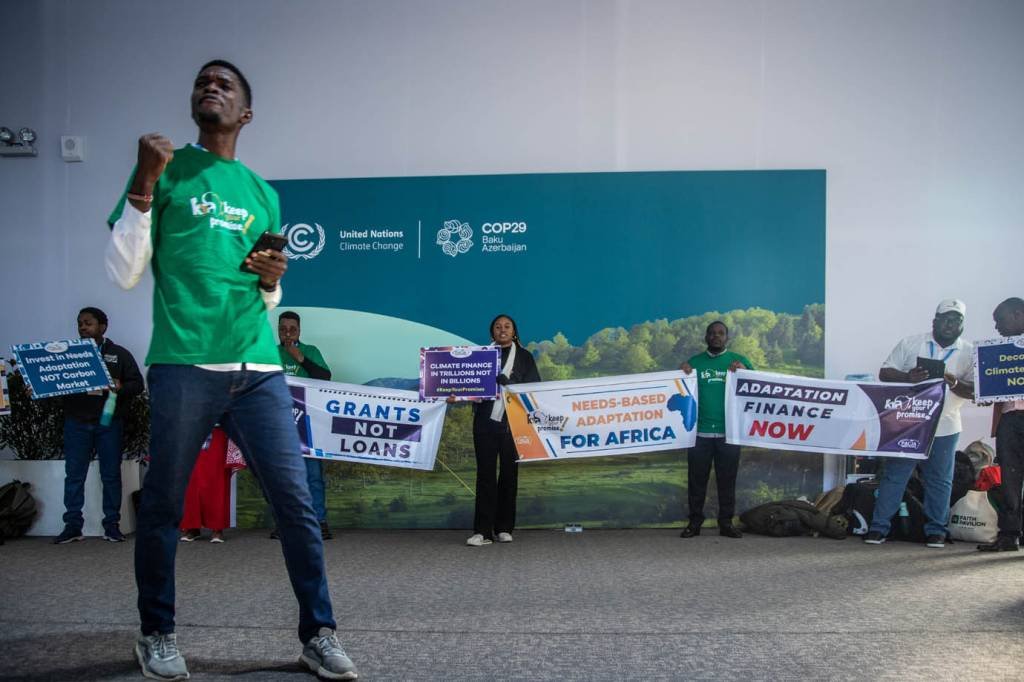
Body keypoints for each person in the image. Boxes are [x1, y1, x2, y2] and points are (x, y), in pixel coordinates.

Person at [105, 60, 357, 681]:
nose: (209, 87)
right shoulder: (165, 170)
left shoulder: (262, 192)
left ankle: (318, 634)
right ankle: (156, 633)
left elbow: (264, 294)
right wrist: (143, 179)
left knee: (296, 505)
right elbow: (124, 271)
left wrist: (272, 283)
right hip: (185, 362)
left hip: (258, 367)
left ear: (245, 113)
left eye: (225, 84)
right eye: (201, 82)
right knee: (164, 505)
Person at [864, 299, 975, 548]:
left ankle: (936, 531)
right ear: (934, 321)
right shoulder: (911, 343)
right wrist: (908, 377)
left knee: (940, 479)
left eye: (956, 320)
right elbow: (885, 371)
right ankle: (879, 527)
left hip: (946, 425)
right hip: (908, 422)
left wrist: (954, 383)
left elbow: (976, 391)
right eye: (946, 318)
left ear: (963, 325)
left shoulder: (969, 352)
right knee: (895, 475)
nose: (950, 324)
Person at [54, 307, 144, 544]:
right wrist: (40, 386)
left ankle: (112, 526)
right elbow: (53, 380)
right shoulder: (68, 354)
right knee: (74, 476)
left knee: (111, 476)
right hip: (76, 422)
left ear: (103, 327)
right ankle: (72, 526)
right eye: (80, 323)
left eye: (88, 323)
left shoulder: (119, 354)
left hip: (109, 423)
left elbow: (138, 385)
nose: (83, 327)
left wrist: (120, 385)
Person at [464, 314, 540, 546]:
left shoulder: (525, 357)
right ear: (492, 332)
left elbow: (535, 390)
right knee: (485, 476)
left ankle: (504, 527)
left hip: (514, 425)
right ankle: (482, 531)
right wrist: (455, 393)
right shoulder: (481, 357)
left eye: (507, 326)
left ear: (514, 331)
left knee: (509, 475)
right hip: (485, 423)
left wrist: (510, 384)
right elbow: (466, 384)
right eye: (498, 327)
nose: (502, 329)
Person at [678, 321, 753, 539]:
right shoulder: (694, 363)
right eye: (712, 333)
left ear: (727, 337)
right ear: (706, 337)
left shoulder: (738, 361)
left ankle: (726, 523)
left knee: (727, 480)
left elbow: (758, 386)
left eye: (720, 333)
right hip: (698, 433)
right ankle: (694, 522)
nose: (716, 336)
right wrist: (681, 373)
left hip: (729, 433)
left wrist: (745, 372)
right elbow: (677, 388)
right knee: (696, 481)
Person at [277, 310, 334, 540]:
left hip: (308, 423)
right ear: (278, 330)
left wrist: (299, 357)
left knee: (312, 475)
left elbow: (325, 377)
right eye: (283, 329)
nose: (288, 333)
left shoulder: (310, 351)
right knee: (281, 476)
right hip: (278, 423)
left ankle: (319, 521)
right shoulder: (269, 353)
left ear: (299, 330)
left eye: (292, 329)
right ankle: (286, 523)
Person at [978, 297, 1024, 552]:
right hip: (1008, 419)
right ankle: (1009, 535)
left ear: (1018, 314)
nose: (997, 328)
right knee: (1009, 479)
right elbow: (994, 384)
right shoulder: (999, 352)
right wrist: (987, 393)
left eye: (1000, 321)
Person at [179, 427, 243, 543]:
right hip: (191, 429)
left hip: (219, 431)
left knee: (217, 481)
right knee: (191, 482)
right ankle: (192, 527)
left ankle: (217, 529)